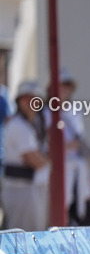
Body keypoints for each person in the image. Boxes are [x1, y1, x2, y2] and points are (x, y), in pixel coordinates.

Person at [45, 68, 90, 225]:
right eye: (61, 85)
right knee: (59, 218)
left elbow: (79, 145)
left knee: (86, 220)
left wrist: (89, 182)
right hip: (56, 173)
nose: (64, 90)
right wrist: (65, 146)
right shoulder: (45, 112)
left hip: (77, 173)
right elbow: (47, 143)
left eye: (67, 86)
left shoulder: (74, 110)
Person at [2, 81, 49, 231]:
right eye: (26, 98)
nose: (30, 103)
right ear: (19, 101)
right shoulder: (18, 126)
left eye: (34, 99)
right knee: (23, 238)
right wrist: (49, 156)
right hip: (21, 191)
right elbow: (35, 161)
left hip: (31, 189)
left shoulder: (34, 124)